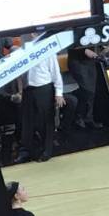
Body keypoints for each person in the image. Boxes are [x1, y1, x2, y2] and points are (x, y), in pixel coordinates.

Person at [18, 33, 64, 163]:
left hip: (43, 88)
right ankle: (28, 150)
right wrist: (21, 91)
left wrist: (58, 93)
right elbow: (21, 74)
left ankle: (47, 150)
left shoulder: (48, 50)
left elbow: (56, 73)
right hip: (28, 90)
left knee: (45, 121)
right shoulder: (24, 51)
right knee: (27, 122)